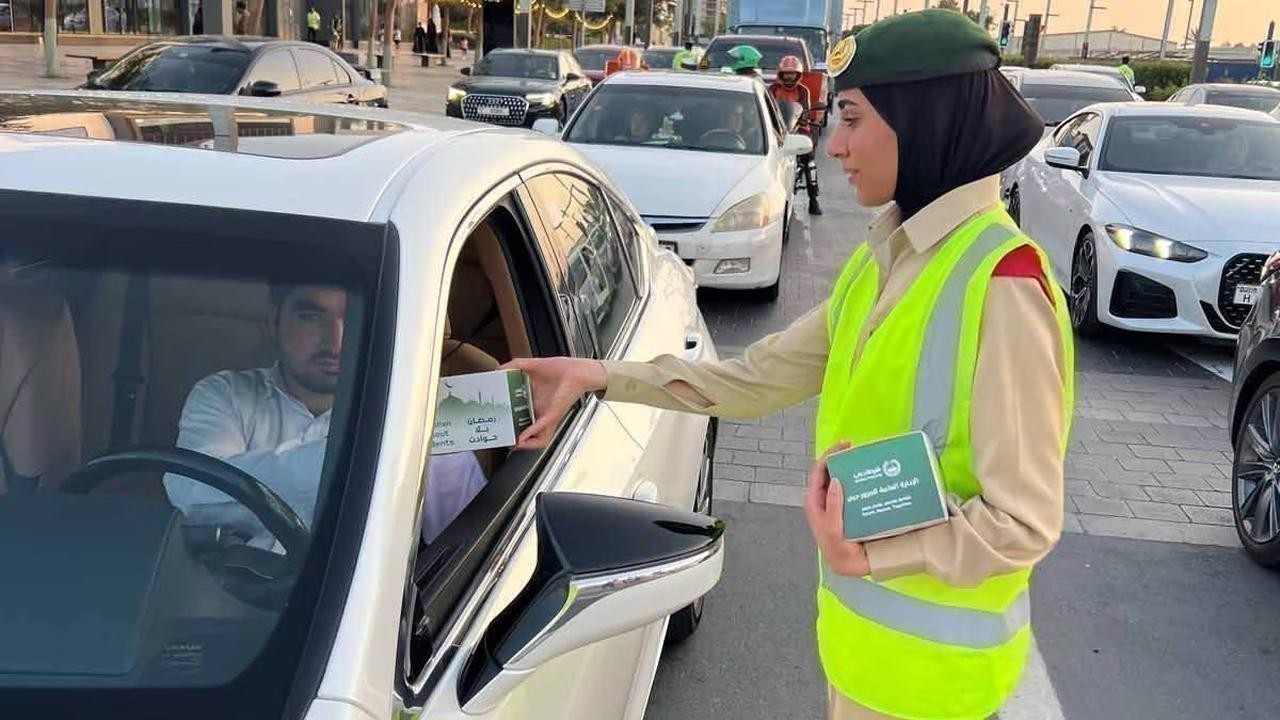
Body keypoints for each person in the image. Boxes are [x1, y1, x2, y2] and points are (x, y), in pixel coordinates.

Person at [503, 10, 1072, 720]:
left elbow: (1024, 522)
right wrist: (599, 376)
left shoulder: (1002, 285)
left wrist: (873, 556)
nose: (835, 145)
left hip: (937, 693)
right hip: (862, 664)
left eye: (856, 119)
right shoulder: (886, 259)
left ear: (922, 121)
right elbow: (753, 380)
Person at [164, 285, 487, 549]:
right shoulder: (226, 393)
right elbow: (194, 491)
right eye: (310, 316)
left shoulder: (418, 413)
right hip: (235, 603)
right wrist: (374, 454)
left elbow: (465, 547)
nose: (335, 341)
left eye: (353, 319)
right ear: (274, 320)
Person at [770, 54, 823, 215]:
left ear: (798, 75)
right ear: (781, 74)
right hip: (777, 129)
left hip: (798, 128)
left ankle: (813, 199)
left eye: (792, 74)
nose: (789, 77)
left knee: (809, 159)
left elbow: (805, 109)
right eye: (786, 73)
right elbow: (769, 107)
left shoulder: (803, 91)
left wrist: (805, 118)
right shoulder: (772, 89)